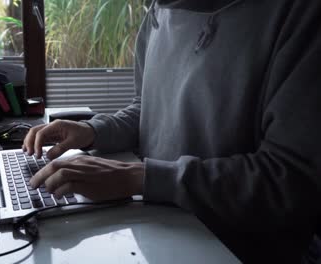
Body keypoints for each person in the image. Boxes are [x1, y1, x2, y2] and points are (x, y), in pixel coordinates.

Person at [23, 0, 321, 262]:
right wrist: (93, 130)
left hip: (238, 248)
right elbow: (145, 106)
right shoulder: (159, 10)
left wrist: (140, 178)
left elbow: (290, 180)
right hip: (159, 226)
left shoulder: (301, 16)